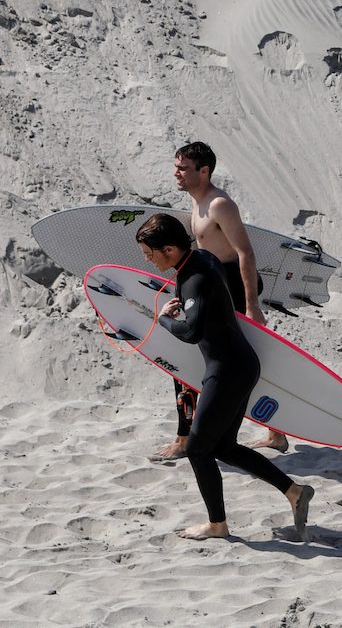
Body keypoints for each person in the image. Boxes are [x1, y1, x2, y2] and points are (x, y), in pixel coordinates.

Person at [135, 213, 314, 540]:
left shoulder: (194, 277)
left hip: (227, 372)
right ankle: (294, 492)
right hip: (240, 365)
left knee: (198, 449)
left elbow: (191, 332)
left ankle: (217, 525)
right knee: (225, 447)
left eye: (150, 254)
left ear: (170, 249)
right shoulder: (201, 258)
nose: (147, 260)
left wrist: (164, 320)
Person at [151, 142, 283, 460]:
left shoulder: (220, 205)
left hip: (231, 288)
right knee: (227, 361)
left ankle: (186, 438)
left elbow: (245, 253)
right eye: (176, 166)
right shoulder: (198, 206)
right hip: (213, 286)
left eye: (183, 168)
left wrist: (252, 305)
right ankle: (274, 433)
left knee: (203, 361)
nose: (176, 173)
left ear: (204, 171)